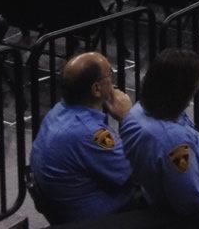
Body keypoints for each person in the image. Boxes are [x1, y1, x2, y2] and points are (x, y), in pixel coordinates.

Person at [120, 50, 199, 216]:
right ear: (181, 91)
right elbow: (192, 201)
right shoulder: (173, 139)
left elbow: (162, 160)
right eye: (194, 87)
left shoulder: (138, 111)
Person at [30, 51, 137, 223]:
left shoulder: (58, 111)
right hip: (94, 218)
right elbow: (134, 172)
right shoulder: (90, 132)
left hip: (61, 208)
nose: (113, 82)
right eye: (110, 75)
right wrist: (128, 119)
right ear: (96, 89)